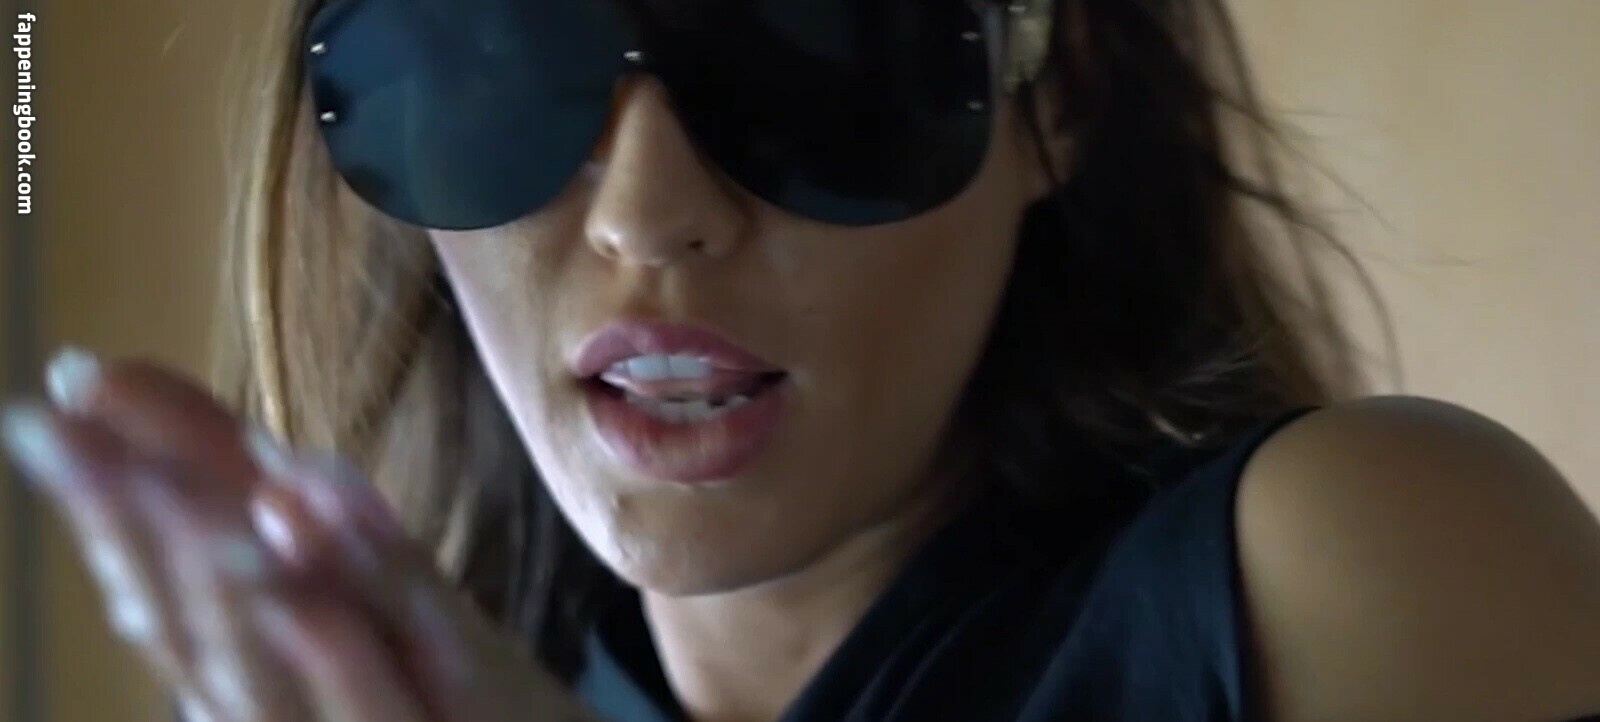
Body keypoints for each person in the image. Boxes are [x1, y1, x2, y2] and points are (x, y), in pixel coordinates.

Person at [3, 0, 1598, 720]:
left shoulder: (1348, 572)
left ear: (1058, 91)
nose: (650, 216)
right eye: (498, 61)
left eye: (811, 52)